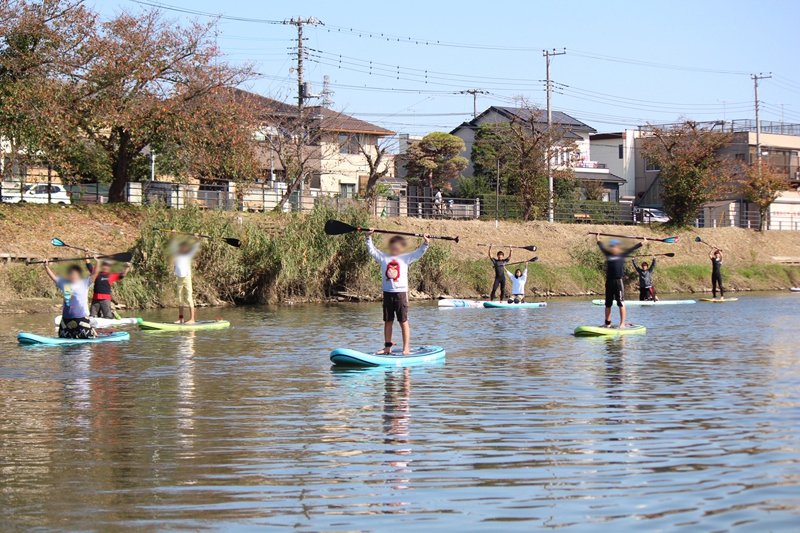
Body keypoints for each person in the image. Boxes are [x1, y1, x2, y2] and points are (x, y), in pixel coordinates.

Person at [366, 230, 430, 355]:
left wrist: (425, 243)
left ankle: (406, 348)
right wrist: (368, 237)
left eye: (398, 246)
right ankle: (387, 348)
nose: (395, 248)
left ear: (401, 248)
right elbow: (372, 251)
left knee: (403, 321)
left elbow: (418, 253)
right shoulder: (383, 257)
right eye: (393, 245)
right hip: (387, 293)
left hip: (401, 294)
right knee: (388, 321)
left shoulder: (405, 258)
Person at [44, 257, 101, 339]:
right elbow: (53, 277)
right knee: (62, 337)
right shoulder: (64, 283)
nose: (73, 276)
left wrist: (98, 262)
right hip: (66, 318)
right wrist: (46, 267)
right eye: (71, 274)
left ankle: (92, 332)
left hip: (81, 318)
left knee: (86, 336)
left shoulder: (84, 283)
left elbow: (94, 274)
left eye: (75, 274)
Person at [596, 234, 643, 328]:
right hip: (609, 281)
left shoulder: (623, 254)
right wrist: (597, 237)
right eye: (612, 247)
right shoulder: (608, 254)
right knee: (608, 303)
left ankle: (622, 324)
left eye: (615, 247)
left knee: (621, 302)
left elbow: (634, 248)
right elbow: (600, 245)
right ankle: (607, 323)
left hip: (618, 281)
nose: (613, 248)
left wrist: (643, 242)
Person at [172, 236, 200, 324]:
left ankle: (192, 319)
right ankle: (181, 318)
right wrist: (174, 234)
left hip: (187, 277)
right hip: (179, 278)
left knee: (189, 298)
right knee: (180, 299)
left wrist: (196, 238)